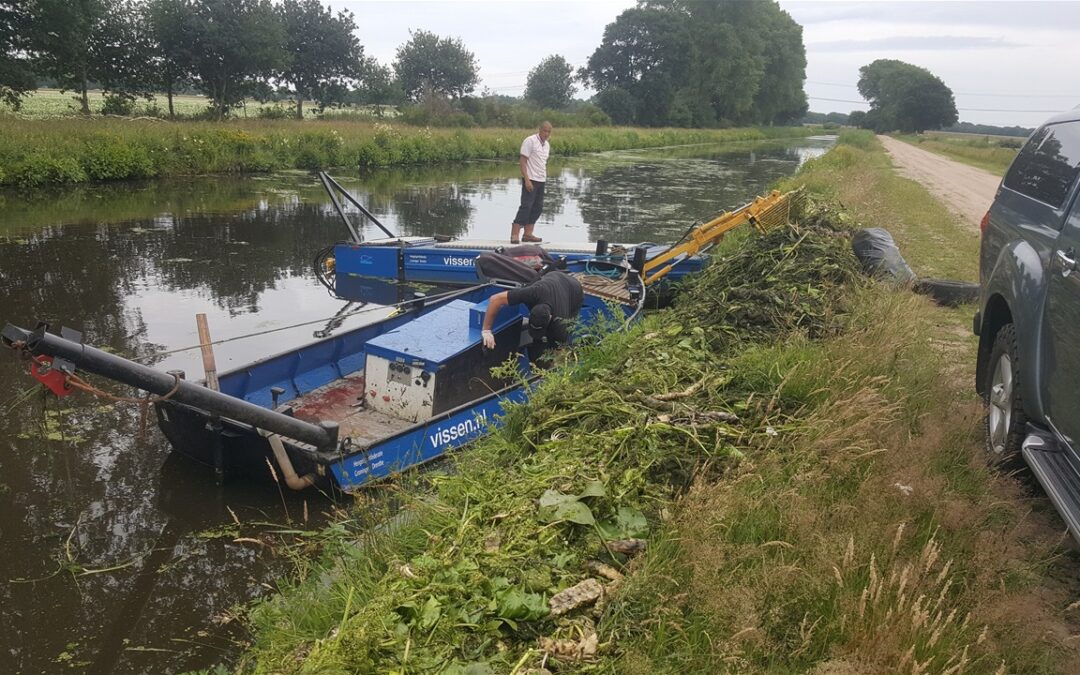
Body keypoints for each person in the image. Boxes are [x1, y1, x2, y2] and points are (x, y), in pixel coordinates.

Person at [481, 270, 582, 360]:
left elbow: (560, 354)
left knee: (557, 341)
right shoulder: (532, 293)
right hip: (552, 276)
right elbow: (495, 299)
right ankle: (538, 345)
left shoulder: (560, 323)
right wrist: (486, 330)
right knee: (537, 345)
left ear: (550, 319)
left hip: (574, 289)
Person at [510, 121, 553, 244]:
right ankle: (514, 234)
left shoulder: (547, 145)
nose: (546, 133)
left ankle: (528, 234)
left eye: (549, 131)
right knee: (526, 206)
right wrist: (527, 179)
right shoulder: (530, 141)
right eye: (545, 130)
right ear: (539, 130)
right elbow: (523, 161)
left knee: (538, 207)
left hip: (541, 179)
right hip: (530, 179)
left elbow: (541, 162)